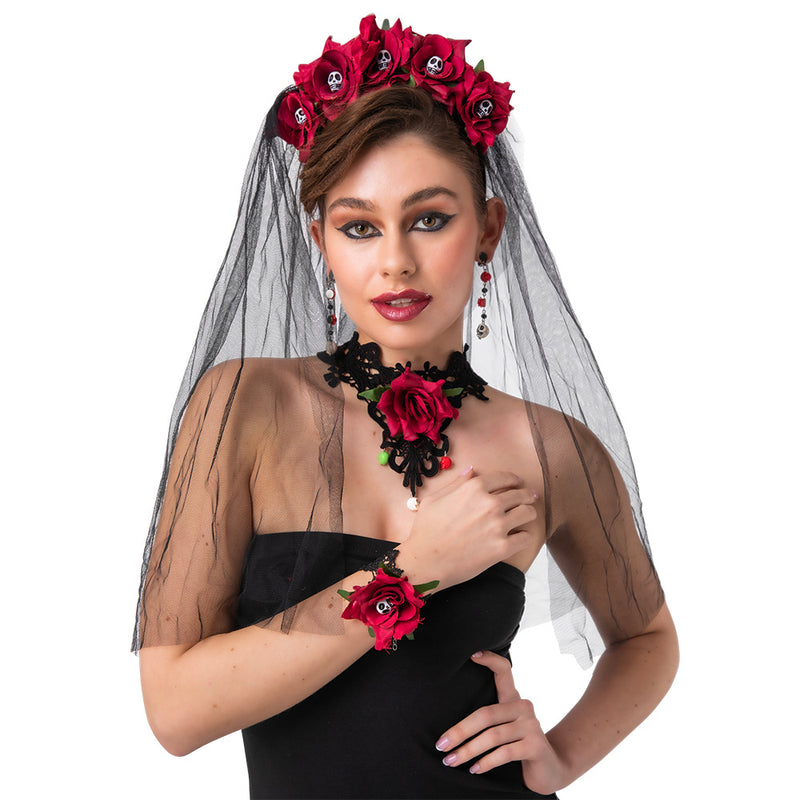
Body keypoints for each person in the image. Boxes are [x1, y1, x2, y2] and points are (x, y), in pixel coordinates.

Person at [134, 15, 678, 799]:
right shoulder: (245, 406)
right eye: (360, 227)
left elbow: (648, 638)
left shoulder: (550, 448)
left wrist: (559, 754)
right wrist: (411, 572)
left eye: (429, 219)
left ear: (488, 228)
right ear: (320, 241)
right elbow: (175, 712)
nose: (395, 261)